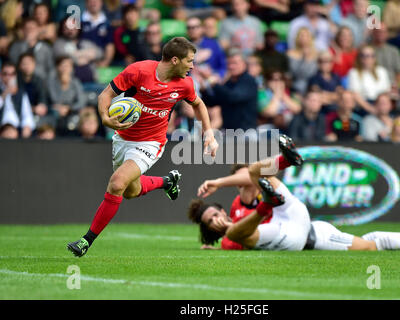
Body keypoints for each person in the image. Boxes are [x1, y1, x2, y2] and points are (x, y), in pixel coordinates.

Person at [67, 37, 219, 257]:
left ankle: (85, 241)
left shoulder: (185, 83)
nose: (192, 66)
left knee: (117, 183)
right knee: (130, 191)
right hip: (123, 139)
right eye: (189, 61)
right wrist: (105, 118)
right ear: (175, 60)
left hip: (151, 142)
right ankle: (166, 182)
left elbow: (198, 104)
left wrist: (209, 134)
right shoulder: (139, 71)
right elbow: (105, 95)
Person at [189, 135, 400, 252]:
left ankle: (286, 159)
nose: (216, 218)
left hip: (294, 219)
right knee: (367, 246)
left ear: (221, 208)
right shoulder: (230, 232)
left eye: (214, 213)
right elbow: (234, 240)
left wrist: (218, 181)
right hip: (303, 236)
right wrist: (221, 239)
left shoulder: (240, 199)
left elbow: (248, 177)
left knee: (257, 171)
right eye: (211, 220)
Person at [199, 48, 259, 131]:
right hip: (229, 133)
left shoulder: (248, 80)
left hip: (246, 133)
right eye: (229, 63)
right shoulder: (228, 83)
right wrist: (204, 90)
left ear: (244, 64)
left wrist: (211, 80)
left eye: (235, 63)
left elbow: (233, 97)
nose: (231, 66)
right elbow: (212, 102)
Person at [47, 56, 87, 136]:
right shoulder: (51, 82)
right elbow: (54, 99)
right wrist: (64, 85)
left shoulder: (76, 82)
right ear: (58, 67)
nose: (65, 68)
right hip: (55, 113)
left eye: (68, 66)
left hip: (72, 112)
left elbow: (81, 102)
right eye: (63, 65)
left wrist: (69, 108)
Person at [347, 45, 391, 115]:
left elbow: (387, 92)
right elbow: (355, 95)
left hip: (380, 104)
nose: (368, 58)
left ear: (375, 58)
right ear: (360, 58)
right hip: (363, 106)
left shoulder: (382, 71)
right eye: (365, 55)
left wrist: (382, 108)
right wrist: (371, 109)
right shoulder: (353, 72)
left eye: (372, 55)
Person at [0, 61, 35, 139]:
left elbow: (27, 115)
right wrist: (5, 93)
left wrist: (27, 126)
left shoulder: (21, 93)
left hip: (17, 128)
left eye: (12, 74)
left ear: (15, 75)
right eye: (5, 74)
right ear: (0, 75)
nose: (9, 77)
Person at [81, 0, 115, 67]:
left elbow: (110, 45)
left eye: (96, 1)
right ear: (86, 3)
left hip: (100, 62)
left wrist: (105, 62)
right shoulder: (78, 22)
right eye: (91, 1)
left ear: (101, 3)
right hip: (81, 61)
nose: (94, 3)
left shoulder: (107, 24)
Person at [287, 27, 318, 95]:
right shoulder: (290, 54)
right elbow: (295, 74)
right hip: (295, 87)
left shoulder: (316, 55)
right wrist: (305, 59)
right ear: (297, 38)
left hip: (312, 88)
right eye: (301, 35)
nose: (304, 38)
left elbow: (315, 75)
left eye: (306, 35)